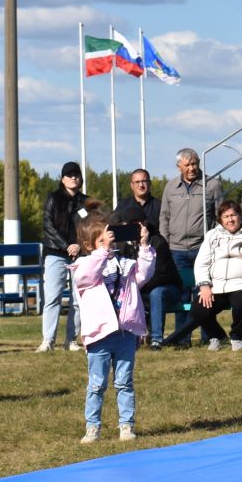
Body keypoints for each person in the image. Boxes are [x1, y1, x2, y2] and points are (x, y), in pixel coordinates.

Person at [71, 204, 155, 442]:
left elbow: (144, 273)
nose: (110, 244)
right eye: (102, 241)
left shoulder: (124, 264)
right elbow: (87, 278)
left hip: (125, 332)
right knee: (97, 384)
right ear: (89, 246)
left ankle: (126, 425)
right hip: (99, 334)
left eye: (111, 239)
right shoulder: (83, 265)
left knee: (124, 382)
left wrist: (145, 246)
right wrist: (102, 253)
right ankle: (92, 427)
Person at [165, 199, 242, 350]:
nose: (230, 219)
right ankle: (218, 336)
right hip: (216, 285)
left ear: (240, 216)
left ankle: (237, 336)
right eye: (226, 216)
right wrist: (204, 286)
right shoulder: (212, 235)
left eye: (233, 215)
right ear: (220, 219)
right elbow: (202, 263)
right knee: (199, 308)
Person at [157, 147, 224, 341]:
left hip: (203, 248)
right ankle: (182, 338)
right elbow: (164, 217)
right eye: (187, 165)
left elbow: (220, 215)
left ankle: (209, 337)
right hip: (176, 250)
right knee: (182, 295)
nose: (192, 168)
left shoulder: (211, 185)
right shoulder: (170, 187)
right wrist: (165, 244)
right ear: (179, 167)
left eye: (194, 163)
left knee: (204, 296)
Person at [112, 168, 182, 347]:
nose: (141, 185)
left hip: (161, 285)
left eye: (145, 181)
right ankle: (125, 336)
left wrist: (137, 286)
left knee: (155, 293)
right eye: (137, 182)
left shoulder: (158, 241)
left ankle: (156, 338)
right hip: (139, 285)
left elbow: (161, 274)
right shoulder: (123, 212)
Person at [38, 162, 87, 352]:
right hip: (55, 253)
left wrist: (79, 245)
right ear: (62, 178)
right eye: (69, 174)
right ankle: (48, 340)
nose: (73, 177)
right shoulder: (53, 198)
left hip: (80, 255)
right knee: (52, 297)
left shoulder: (86, 202)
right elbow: (48, 226)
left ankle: (71, 340)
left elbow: (90, 227)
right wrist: (67, 246)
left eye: (76, 174)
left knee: (77, 299)